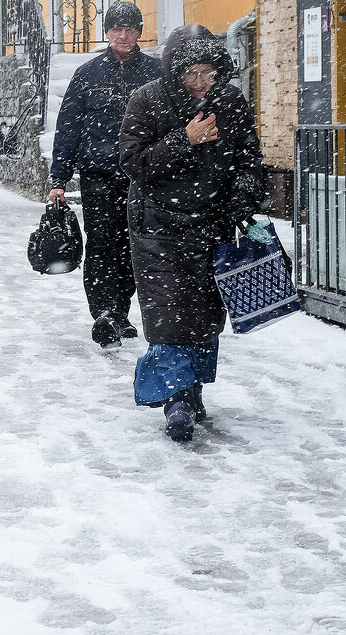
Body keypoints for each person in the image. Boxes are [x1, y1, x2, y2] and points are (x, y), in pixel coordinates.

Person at [119, 24, 267, 442]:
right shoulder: (147, 100)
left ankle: (192, 388)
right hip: (158, 226)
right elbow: (133, 163)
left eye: (210, 73)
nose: (202, 82)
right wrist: (184, 139)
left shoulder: (230, 101)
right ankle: (176, 398)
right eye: (192, 73)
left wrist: (242, 199)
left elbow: (249, 159)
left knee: (203, 314)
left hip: (213, 224)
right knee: (167, 314)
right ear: (174, 72)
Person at [48, 1, 161, 349]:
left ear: (139, 32)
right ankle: (104, 314)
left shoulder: (156, 74)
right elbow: (68, 127)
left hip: (143, 178)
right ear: (107, 32)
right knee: (101, 247)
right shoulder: (88, 74)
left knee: (134, 248)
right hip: (99, 176)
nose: (122, 36)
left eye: (129, 29)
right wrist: (58, 179)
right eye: (116, 29)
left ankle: (120, 311)